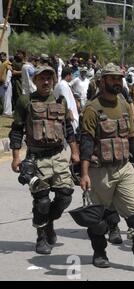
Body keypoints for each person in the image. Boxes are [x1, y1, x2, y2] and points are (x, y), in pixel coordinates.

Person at [79, 63, 134, 270]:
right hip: (100, 170)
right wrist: (84, 173)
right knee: (98, 218)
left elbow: (132, 134)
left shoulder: (125, 104)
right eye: (112, 79)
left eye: (119, 79)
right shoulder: (92, 109)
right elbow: (87, 143)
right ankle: (99, 253)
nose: (117, 82)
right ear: (103, 81)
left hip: (124, 167)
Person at [9, 66, 80, 254]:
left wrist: (75, 152)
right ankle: (41, 237)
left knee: (65, 195)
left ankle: (49, 223)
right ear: (35, 81)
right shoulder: (26, 101)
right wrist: (16, 157)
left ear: (54, 80)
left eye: (49, 78)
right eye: (42, 79)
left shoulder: (60, 101)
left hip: (58, 156)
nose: (46, 82)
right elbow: (16, 130)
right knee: (41, 201)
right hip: (36, 158)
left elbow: (69, 129)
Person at [54, 67, 79, 132]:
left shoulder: (59, 84)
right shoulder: (63, 85)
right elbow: (65, 101)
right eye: (72, 75)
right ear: (68, 75)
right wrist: (71, 116)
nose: (72, 77)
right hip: (69, 118)